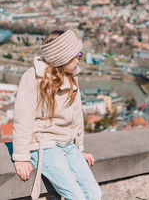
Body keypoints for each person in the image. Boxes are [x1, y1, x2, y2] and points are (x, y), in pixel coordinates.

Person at [12, 29, 102, 200]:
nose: (79, 58)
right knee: (77, 196)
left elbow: (77, 117)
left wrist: (79, 148)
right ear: (63, 56)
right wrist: (21, 157)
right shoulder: (32, 77)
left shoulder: (72, 77)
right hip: (44, 146)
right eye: (77, 54)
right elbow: (23, 119)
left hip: (68, 145)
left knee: (95, 194)